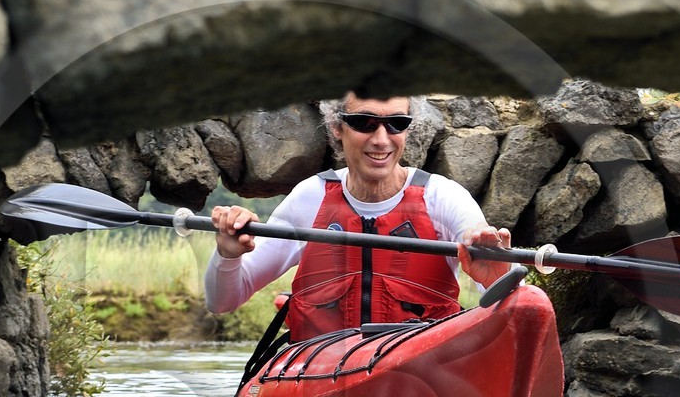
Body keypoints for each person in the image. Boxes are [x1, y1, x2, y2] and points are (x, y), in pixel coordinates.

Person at [204, 93, 513, 340]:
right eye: (364, 123)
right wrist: (228, 255)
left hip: (423, 366)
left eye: (396, 123)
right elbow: (222, 302)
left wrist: (498, 275)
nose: (381, 139)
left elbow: (511, 304)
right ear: (337, 128)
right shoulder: (308, 199)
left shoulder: (443, 198)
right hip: (323, 367)